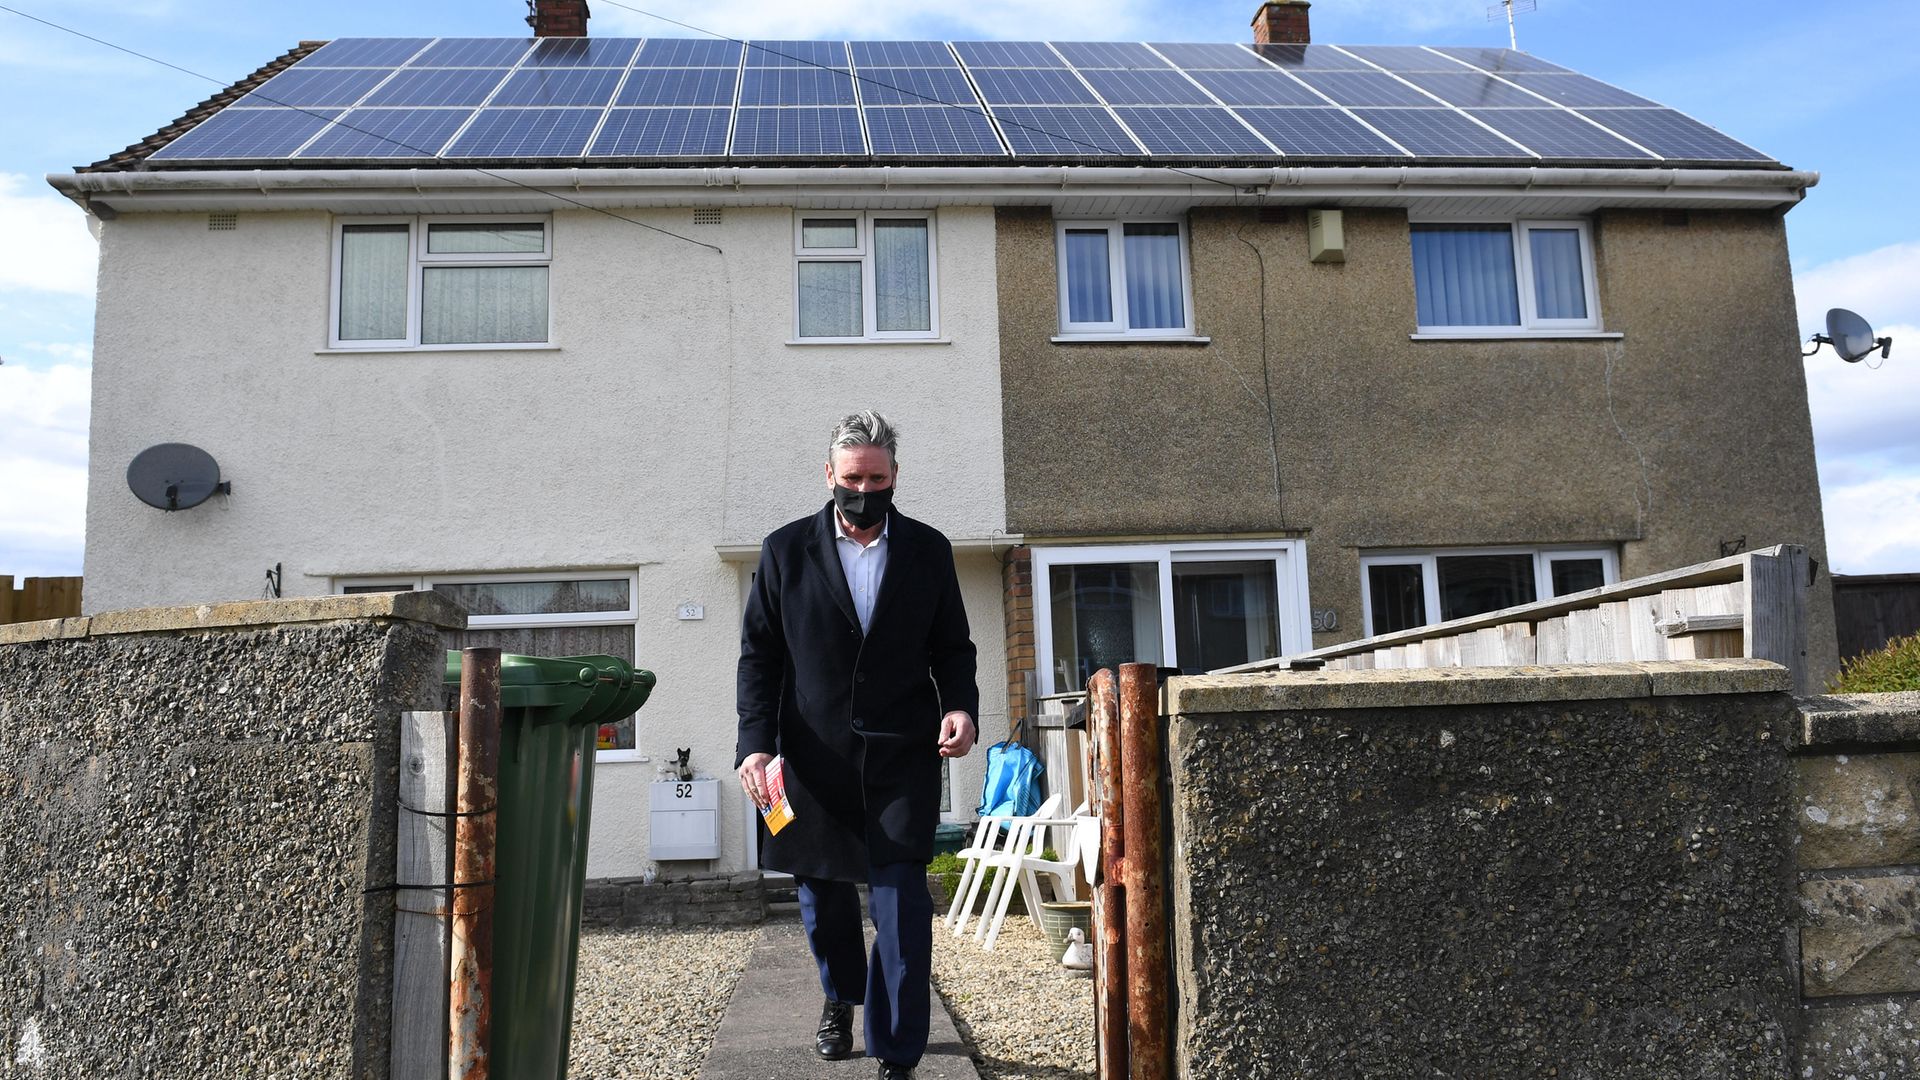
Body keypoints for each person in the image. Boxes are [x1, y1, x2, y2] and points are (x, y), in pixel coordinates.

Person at [735, 410, 979, 1080]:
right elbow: (760, 657)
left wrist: (960, 706)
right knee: (824, 904)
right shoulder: (784, 552)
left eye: (876, 477)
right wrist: (754, 746)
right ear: (829, 475)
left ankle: (897, 1054)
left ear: (894, 476)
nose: (864, 489)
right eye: (852, 477)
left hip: (904, 757)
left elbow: (952, 648)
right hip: (812, 762)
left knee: (901, 904)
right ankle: (842, 994)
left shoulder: (928, 551)